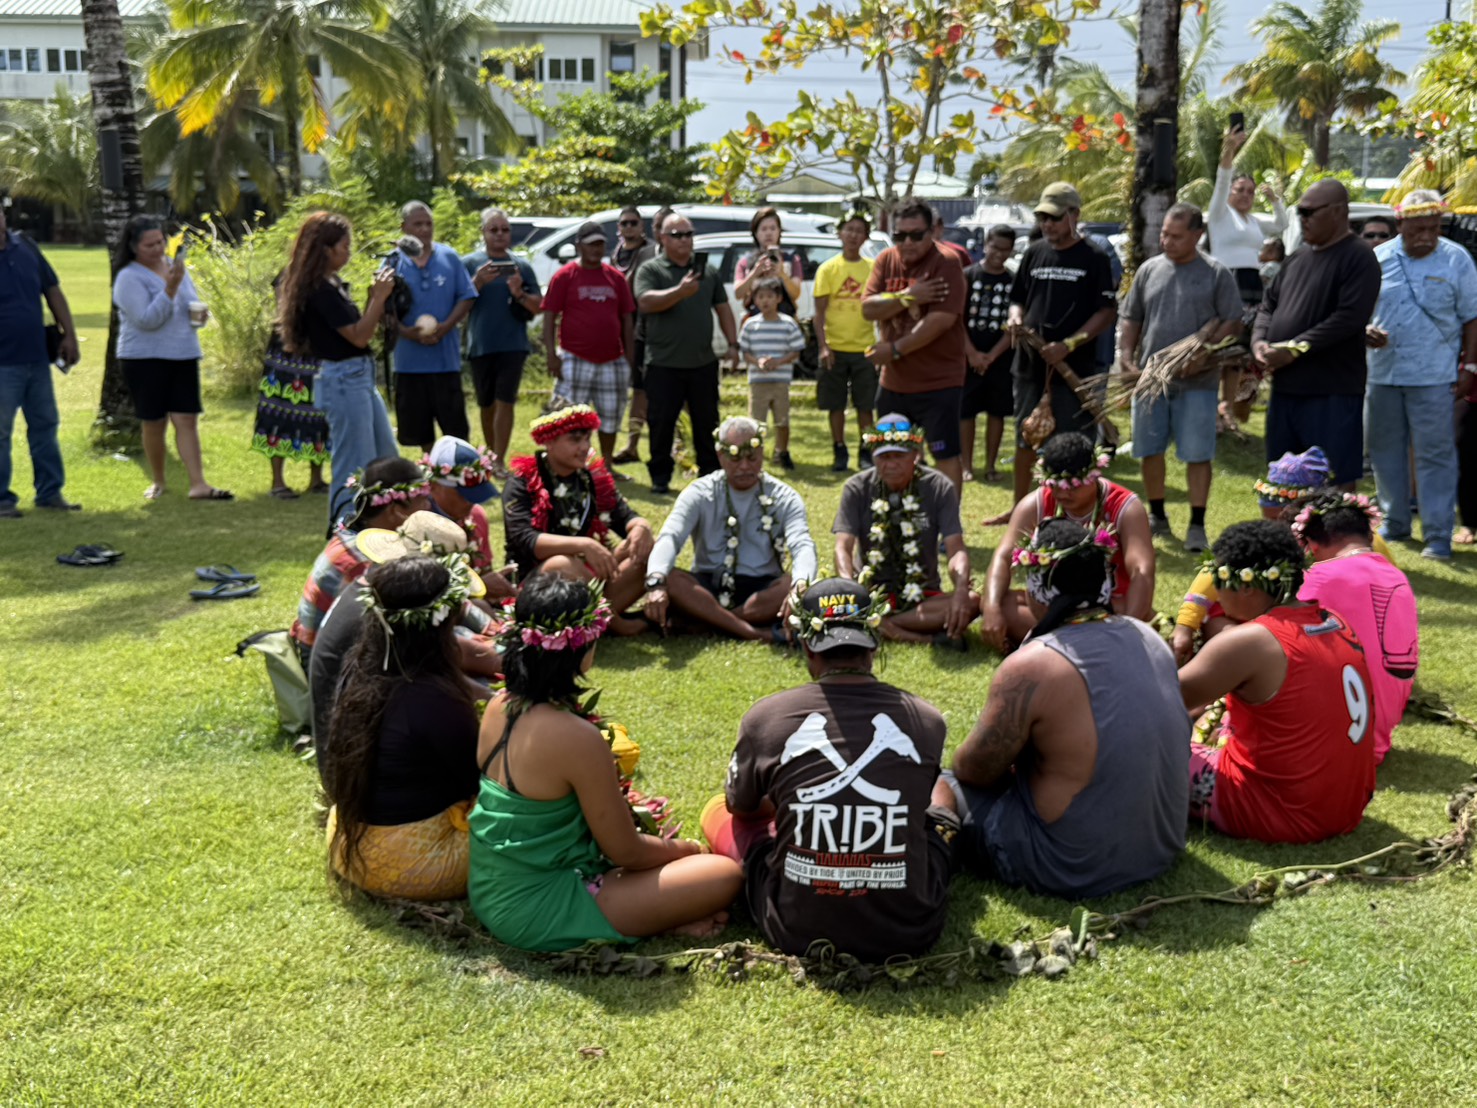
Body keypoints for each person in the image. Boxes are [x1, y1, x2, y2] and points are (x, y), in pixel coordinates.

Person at [468, 574, 744, 951]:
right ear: (583, 648)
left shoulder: (499, 705)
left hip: (487, 888)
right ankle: (655, 919)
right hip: (537, 908)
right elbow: (625, 852)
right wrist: (688, 849)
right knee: (723, 874)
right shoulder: (577, 737)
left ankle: (656, 914)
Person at [701, 578, 956, 961]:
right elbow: (915, 811)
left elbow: (741, 808)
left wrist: (788, 807)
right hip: (907, 931)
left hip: (794, 928)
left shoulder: (765, 718)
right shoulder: (927, 720)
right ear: (874, 644)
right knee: (943, 798)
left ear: (807, 646)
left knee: (719, 812)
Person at [934, 518, 1188, 898]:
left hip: (1068, 865)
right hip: (1158, 849)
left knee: (935, 783)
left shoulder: (1033, 665)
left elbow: (974, 770)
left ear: (1039, 588)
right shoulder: (1148, 636)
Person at [1178, 520, 1377, 843]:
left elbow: (1158, 700)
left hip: (1280, 813)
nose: (1214, 594)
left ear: (1246, 587)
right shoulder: (1334, 620)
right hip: (1345, 807)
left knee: (1146, 749)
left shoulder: (1252, 641)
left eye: (1217, 579)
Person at [322, 556, 481, 899]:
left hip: (348, 843)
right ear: (442, 621)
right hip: (412, 865)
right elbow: (477, 781)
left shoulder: (359, 666)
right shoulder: (435, 698)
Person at [310, 513, 503, 758]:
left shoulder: (382, 590)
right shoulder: (391, 613)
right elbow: (442, 678)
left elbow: (452, 649)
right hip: (354, 754)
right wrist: (502, 704)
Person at [1119, 203, 1243, 552]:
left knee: (1197, 454)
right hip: (1151, 380)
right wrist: (1126, 357)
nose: (1167, 241)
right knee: (1150, 449)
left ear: (1197, 235)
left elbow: (1232, 322)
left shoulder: (1216, 273)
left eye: (1176, 236)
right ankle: (1157, 516)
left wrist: (1205, 353)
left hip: (1197, 384)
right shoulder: (1149, 270)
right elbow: (1131, 317)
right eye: (1164, 234)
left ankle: (1197, 525)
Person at [1364, 190, 1477, 561]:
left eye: (1433, 228)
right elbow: (1358, 308)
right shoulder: (1378, 258)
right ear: (1400, 224)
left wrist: (1470, 367)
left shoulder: (1457, 259)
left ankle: (1437, 534)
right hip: (1382, 374)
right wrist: (1366, 329)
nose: (1426, 236)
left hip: (1434, 376)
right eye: (1417, 230)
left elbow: (1472, 317)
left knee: (1435, 455)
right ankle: (1395, 522)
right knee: (1384, 451)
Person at [1251, 180, 1382, 492]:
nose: (1302, 219)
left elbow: (1349, 318)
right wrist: (1259, 341)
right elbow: (1268, 304)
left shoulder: (1359, 257)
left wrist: (1295, 349)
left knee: (1332, 483)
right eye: (1300, 212)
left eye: (1309, 212)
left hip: (1332, 392)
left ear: (1338, 212)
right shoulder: (1297, 258)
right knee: (1283, 480)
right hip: (1286, 390)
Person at [644, 417, 818, 641]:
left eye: (752, 457)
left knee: (787, 585)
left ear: (762, 452)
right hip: (707, 586)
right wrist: (657, 579)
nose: (744, 466)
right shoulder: (700, 492)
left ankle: (706, 622)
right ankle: (754, 633)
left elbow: (801, 543)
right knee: (672, 579)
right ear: (720, 456)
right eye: (735, 458)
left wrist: (800, 584)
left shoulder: (785, 496)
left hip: (762, 588)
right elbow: (671, 536)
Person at [277, 211, 399, 526]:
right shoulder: (320, 290)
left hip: (358, 377)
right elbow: (359, 336)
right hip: (344, 381)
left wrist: (375, 301)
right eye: (345, 246)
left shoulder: (332, 283)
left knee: (386, 457)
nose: (349, 252)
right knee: (354, 465)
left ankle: (385, 522)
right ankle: (344, 531)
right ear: (325, 249)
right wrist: (378, 298)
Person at [980, 431, 1154, 652]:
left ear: (1094, 475)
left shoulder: (1126, 507)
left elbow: (1142, 571)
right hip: (1052, 605)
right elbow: (1004, 557)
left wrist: (1126, 632)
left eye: (1073, 486)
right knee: (1001, 604)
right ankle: (1082, 644)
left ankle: (1062, 644)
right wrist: (991, 608)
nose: (1063, 494)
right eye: (1055, 485)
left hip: (1108, 606)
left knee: (1141, 613)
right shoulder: (1036, 503)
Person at [1001, 182, 1118, 509]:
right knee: (1026, 437)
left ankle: (1072, 510)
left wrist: (1070, 344)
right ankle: (1021, 509)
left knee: (1071, 444)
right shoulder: (1034, 252)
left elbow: (1106, 311)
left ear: (1074, 215)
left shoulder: (1094, 257)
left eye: (1054, 218)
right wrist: (1015, 317)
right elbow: (1017, 298)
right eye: (1042, 218)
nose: (1047, 224)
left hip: (1073, 369)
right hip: (1030, 365)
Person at [503, 404, 655, 635]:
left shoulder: (592, 478)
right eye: (575, 440)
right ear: (549, 441)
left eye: (587, 439)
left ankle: (598, 615)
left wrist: (641, 527)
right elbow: (524, 539)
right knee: (562, 564)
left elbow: (626, 517)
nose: (585, 447)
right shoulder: (523, 482)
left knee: (647, 546)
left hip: (588, 575)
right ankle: (614, 622)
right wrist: (583, 545)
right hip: (538, 584)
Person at [1292, 491, 1417, 765]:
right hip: (1375, 735)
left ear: (1312, 545)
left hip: (1334, 743)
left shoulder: (1319, 578)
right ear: (1370, 536)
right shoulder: (1397, 576)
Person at [112, 215, 231, 502]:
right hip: (145, 358)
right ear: (133, 246)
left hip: (183, 352)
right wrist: (170, 288)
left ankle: (198, 484)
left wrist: (200, 315)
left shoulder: (174, 267)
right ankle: (159, 481)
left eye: (160, 241)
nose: (158, 249)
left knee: (186, 418)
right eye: (150, 245)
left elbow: (189, 303)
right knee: (155, 421)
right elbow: (147, 320)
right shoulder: (128, 277)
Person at [832, 415, 977, 645]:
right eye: (884, 457)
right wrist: (850, 589)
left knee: (972, 600)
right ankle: (924, 638)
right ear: (873, 456)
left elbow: (955, 547)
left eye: (899, 456)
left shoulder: (939, 486)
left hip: (922, 597)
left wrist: (960, 590)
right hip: (870, 593)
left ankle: (879, 625)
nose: (891, 464)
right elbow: (843, 546)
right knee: (824, 601)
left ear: (915, 455)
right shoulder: (856, 487)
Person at [861, 196, 970, 492]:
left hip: (938, 381)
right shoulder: (886, 260)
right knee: (891, 452)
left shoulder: (946, 262)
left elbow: (941, 320)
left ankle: (948, 518)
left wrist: (895, 349)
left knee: (944, 454)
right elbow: (868, 308)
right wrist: (908, 296)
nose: (907, 242)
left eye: (916, 235)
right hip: (894, 382)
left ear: (932, 231)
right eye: (900, 235)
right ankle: (894, 509)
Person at [289, 456, 433, 664]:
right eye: (423, 500)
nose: (428, 507)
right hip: (327, 663)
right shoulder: (365, 563)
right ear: (396, 511)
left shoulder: (357, 535)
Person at [633, 214, 740, 494]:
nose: (684, 240)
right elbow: (645, 302)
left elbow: (723, 308)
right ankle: (660, 478)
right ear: (662, 238)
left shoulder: (708, 272)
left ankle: (710, 476)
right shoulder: (651, 269)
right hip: (663, 364)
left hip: (702, 362)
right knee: (661, 424)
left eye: (689, 234)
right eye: (677, 235)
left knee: (707, 423)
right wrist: (680, 292)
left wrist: (733, 344)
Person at [0, 202, 81, 519]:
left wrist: (69, 334)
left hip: (36, 358)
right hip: (3, 363)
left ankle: (50, 493)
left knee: (45, 425)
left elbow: (52, 291)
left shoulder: (26, 246)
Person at [542, 222, 636, 474]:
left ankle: (606, 465)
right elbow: (550, 316)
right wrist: (552, 355)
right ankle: (569, 464)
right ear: (579, 246)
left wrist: (629, 357)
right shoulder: (565, 276)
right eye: (591, 244)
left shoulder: (615, 278)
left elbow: (627, 319)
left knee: (611, 414)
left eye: (600, 244)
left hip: (612, 359)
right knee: (569, 416)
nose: (596, 249)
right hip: (574, 357)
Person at [390, 201, 477, 452]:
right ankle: (430, 467)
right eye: (418, 224)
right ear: (403, 227)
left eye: (428, 224)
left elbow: (467, 296)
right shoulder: (393, 261)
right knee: (419, 430)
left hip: (445, 362)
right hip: (409, 364)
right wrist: (406, 332)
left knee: (455, 430)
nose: (425, 229)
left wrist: (446, 326)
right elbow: (382, 307)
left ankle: (458, 469)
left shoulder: (449, 257)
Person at [463, 207, 543, 478]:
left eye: (505, 230)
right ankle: (489, 456)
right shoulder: (469, 264)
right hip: (481, 345)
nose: (499, 234)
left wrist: (518, 292)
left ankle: (498, 460)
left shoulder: (521, 266)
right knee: (486, 405)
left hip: (513, 344)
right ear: (483, 233)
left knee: (505, 400)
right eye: (493, 229)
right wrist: (477, 282)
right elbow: (456, 303)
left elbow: (538, 306)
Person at [813, 210, 878, 472]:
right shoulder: (828, 269)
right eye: (848, 229)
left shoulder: (873, 268)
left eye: (858, 231)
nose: (853, 235)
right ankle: (839, 449)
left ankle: (866, 449)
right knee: (835, 405)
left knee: (866, 405)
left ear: (866, 237)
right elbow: (819, 313)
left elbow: (882, 310)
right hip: (835, 348)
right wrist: (823, 346)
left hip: (865, 348)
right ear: (840, 233)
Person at [960, 224, 1016, 484]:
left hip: (1000, 358)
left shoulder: (1014, 281)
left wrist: (991, 356)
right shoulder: (968, 275)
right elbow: (955, 319)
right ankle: (966, 465)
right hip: (967, 355)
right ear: (985, 245)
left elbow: (1015, 326)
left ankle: (991, 465)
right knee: (965, 412)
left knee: (997, 412)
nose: (999, 254)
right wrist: (972, 353)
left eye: (1005, 249)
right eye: (995, 247)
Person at [612, 206, 668, 467]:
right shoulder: (620, 253)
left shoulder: (656, 252)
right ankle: (632, 445)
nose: (629, 227)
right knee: (639, 388)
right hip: (632, 329)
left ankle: (680, 444)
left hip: (660, 329)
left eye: (633, 223)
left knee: (672, 389)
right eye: (624, 223)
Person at [1207, 128, 1289, 305]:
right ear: (1230, 191)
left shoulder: (1254, 220)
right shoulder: (1219, 213)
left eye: (1251, 192)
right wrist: (1229, 150)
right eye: (1240, 190)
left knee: (1251, 321)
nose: (1246, 195)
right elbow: (1222, 181)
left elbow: (1281, 224)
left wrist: (1275, 201)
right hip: (1227, 276)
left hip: (1253, 280)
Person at [251, 319, 329, 500]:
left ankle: (316, 479)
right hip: (288, 342)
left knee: (319, 412)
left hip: (318, 344)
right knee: (279, 412)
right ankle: (278, 482)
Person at [739, 278, 806, 471]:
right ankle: (754, 454)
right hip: (758, 382)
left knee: (782, 420)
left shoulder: (788, 324)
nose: (765, 301)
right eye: (760, 297)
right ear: (755, 300)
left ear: (778, 298)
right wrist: (758, 362)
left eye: (769, 296)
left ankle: (782, 452)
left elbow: (796, 351)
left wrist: (779, 361)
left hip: (780, 382)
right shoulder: (750, 325)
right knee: (756, 422)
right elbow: (745, 352)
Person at [424, 435, 506, 577]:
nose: (470, 502)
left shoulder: (477, 516)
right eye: (462, 494)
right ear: (434, 486)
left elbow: (485, 569)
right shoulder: (415, 527)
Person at [733, 205, 803, 318]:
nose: (769, 233)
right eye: (764, 229)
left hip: (784, 319)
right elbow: (738, 294)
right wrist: (755, 273)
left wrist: (782, 274)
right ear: (755, 233)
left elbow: (795, 294)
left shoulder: (791, 259)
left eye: (773, 228)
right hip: (756, 321)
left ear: (779, 231)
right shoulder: (746, 261)